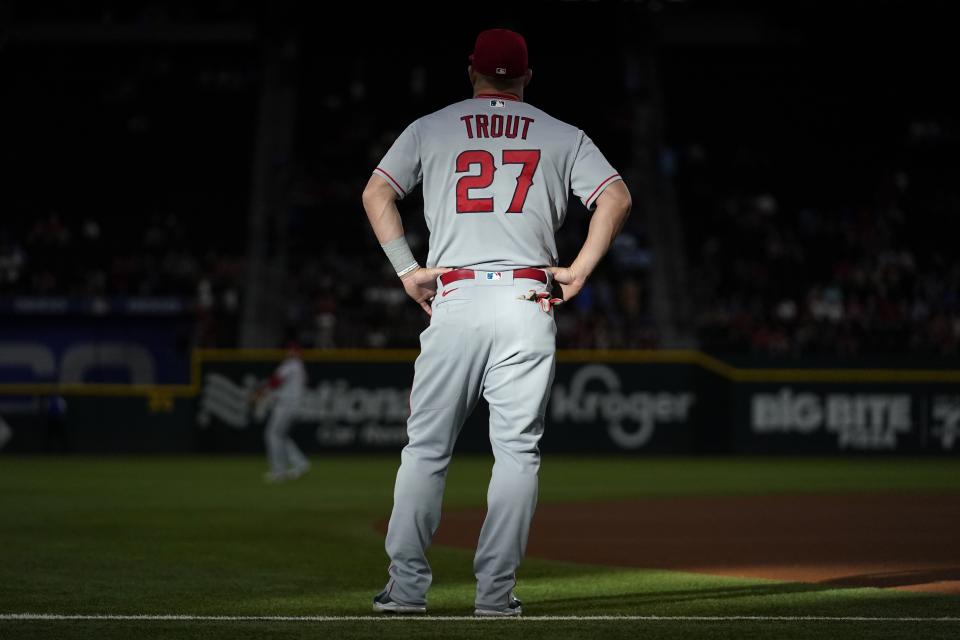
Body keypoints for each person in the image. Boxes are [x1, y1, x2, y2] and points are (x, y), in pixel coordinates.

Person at [361, 28, 631, 616]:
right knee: (517, 455)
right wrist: (580, 269)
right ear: (527, 77)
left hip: (455, 297)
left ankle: (407, 591)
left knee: (426, 450)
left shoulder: (431, 126)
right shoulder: (563, 134)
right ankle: (494, 595)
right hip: (526, 300)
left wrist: (408, 270)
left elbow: (376, 194)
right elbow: (616, 197)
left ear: (472, 71)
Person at [252, 341, 310, 483]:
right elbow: (278, 384)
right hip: (290, 405)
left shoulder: (291, 365)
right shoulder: (299, 366)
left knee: (272, 434)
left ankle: (278, 471)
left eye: (293, 350)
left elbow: (275, 382)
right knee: (280, 435)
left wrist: (261, 392)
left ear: (298, 353)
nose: (290, 352)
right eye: (289, 349)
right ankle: (300, 463)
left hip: (286, 405)